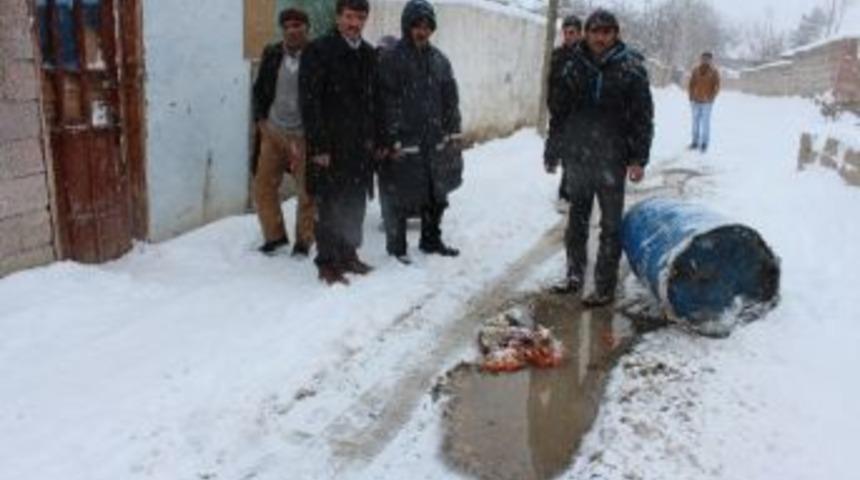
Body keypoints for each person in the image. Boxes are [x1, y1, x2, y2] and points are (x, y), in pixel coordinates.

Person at [545, 9, 654, 307]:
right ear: (587, 33)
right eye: (595, 31)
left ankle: (604, 285)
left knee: (610, 224)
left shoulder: (631, 68)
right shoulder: (573, 66)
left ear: (615, 34)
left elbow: (642, 117)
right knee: (577, 220)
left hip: (612, 158)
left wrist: (638, 158)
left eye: (606, 32)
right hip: (578, 156)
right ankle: (574, 274)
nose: (600, 38)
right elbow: (560, 113)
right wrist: (553, 149)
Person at [377, 0, 463, 264]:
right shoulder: (392, 59)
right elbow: (384, 101)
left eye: (426, 26)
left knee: (435, 195)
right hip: (404, 142)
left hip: (433, 142)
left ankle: (431, 240)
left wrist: (453, 133)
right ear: (407, 26)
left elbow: (450, 99)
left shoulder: (440, 61)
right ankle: (397, 249)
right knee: (398, 198)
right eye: (416, 25)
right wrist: (391, 138)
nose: (421, 31)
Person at [300, 0, 377, 285]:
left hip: (359, 148)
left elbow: (373, 102)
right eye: (349, 16)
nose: (354, 23)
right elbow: (310, 103)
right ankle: (327, 262)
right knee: (330, 204)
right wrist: (318, 147)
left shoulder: (369, 55)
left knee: (355, 203)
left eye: (360, 17)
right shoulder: (319, 51)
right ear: (338, 17)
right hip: (330, 147)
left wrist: (375, 140)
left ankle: (348, 254)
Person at [251, 8, 315, 256]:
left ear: (307, 29)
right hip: (273, 131)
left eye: (298, 25)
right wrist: (260, 121)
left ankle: (304, 241)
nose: (292, 30)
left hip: (303, 135)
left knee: (307, 191)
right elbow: (259, 90)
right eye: (287, 26)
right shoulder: (272, 53)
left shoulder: (316, 55)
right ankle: (275, 236)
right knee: (263, 187)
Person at [546, 14, 583, 212]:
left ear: (579, 33)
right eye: (565, 32)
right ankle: (552, 162)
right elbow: (551, 81)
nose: (568, 36)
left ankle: (565, 193)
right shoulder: (557, 55)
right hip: (559, 111)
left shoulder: (585, 56)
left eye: (572, 33)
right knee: (555, 147)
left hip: (576, 114)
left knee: (572, 154)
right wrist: (551, 103)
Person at [688, 51, 720, 152]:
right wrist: (691, 96)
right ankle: (694, 142)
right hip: (695, 101)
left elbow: (717, 86)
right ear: (701, 59)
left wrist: (711, 97)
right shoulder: (695, 70)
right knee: (695, 123)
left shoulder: (714, 72)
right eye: (703, 58)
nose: (705, 60)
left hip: (707, 102)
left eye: (707, 58)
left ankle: (704, 143)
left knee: (705, 123)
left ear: (710, 60)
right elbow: (691, 84)